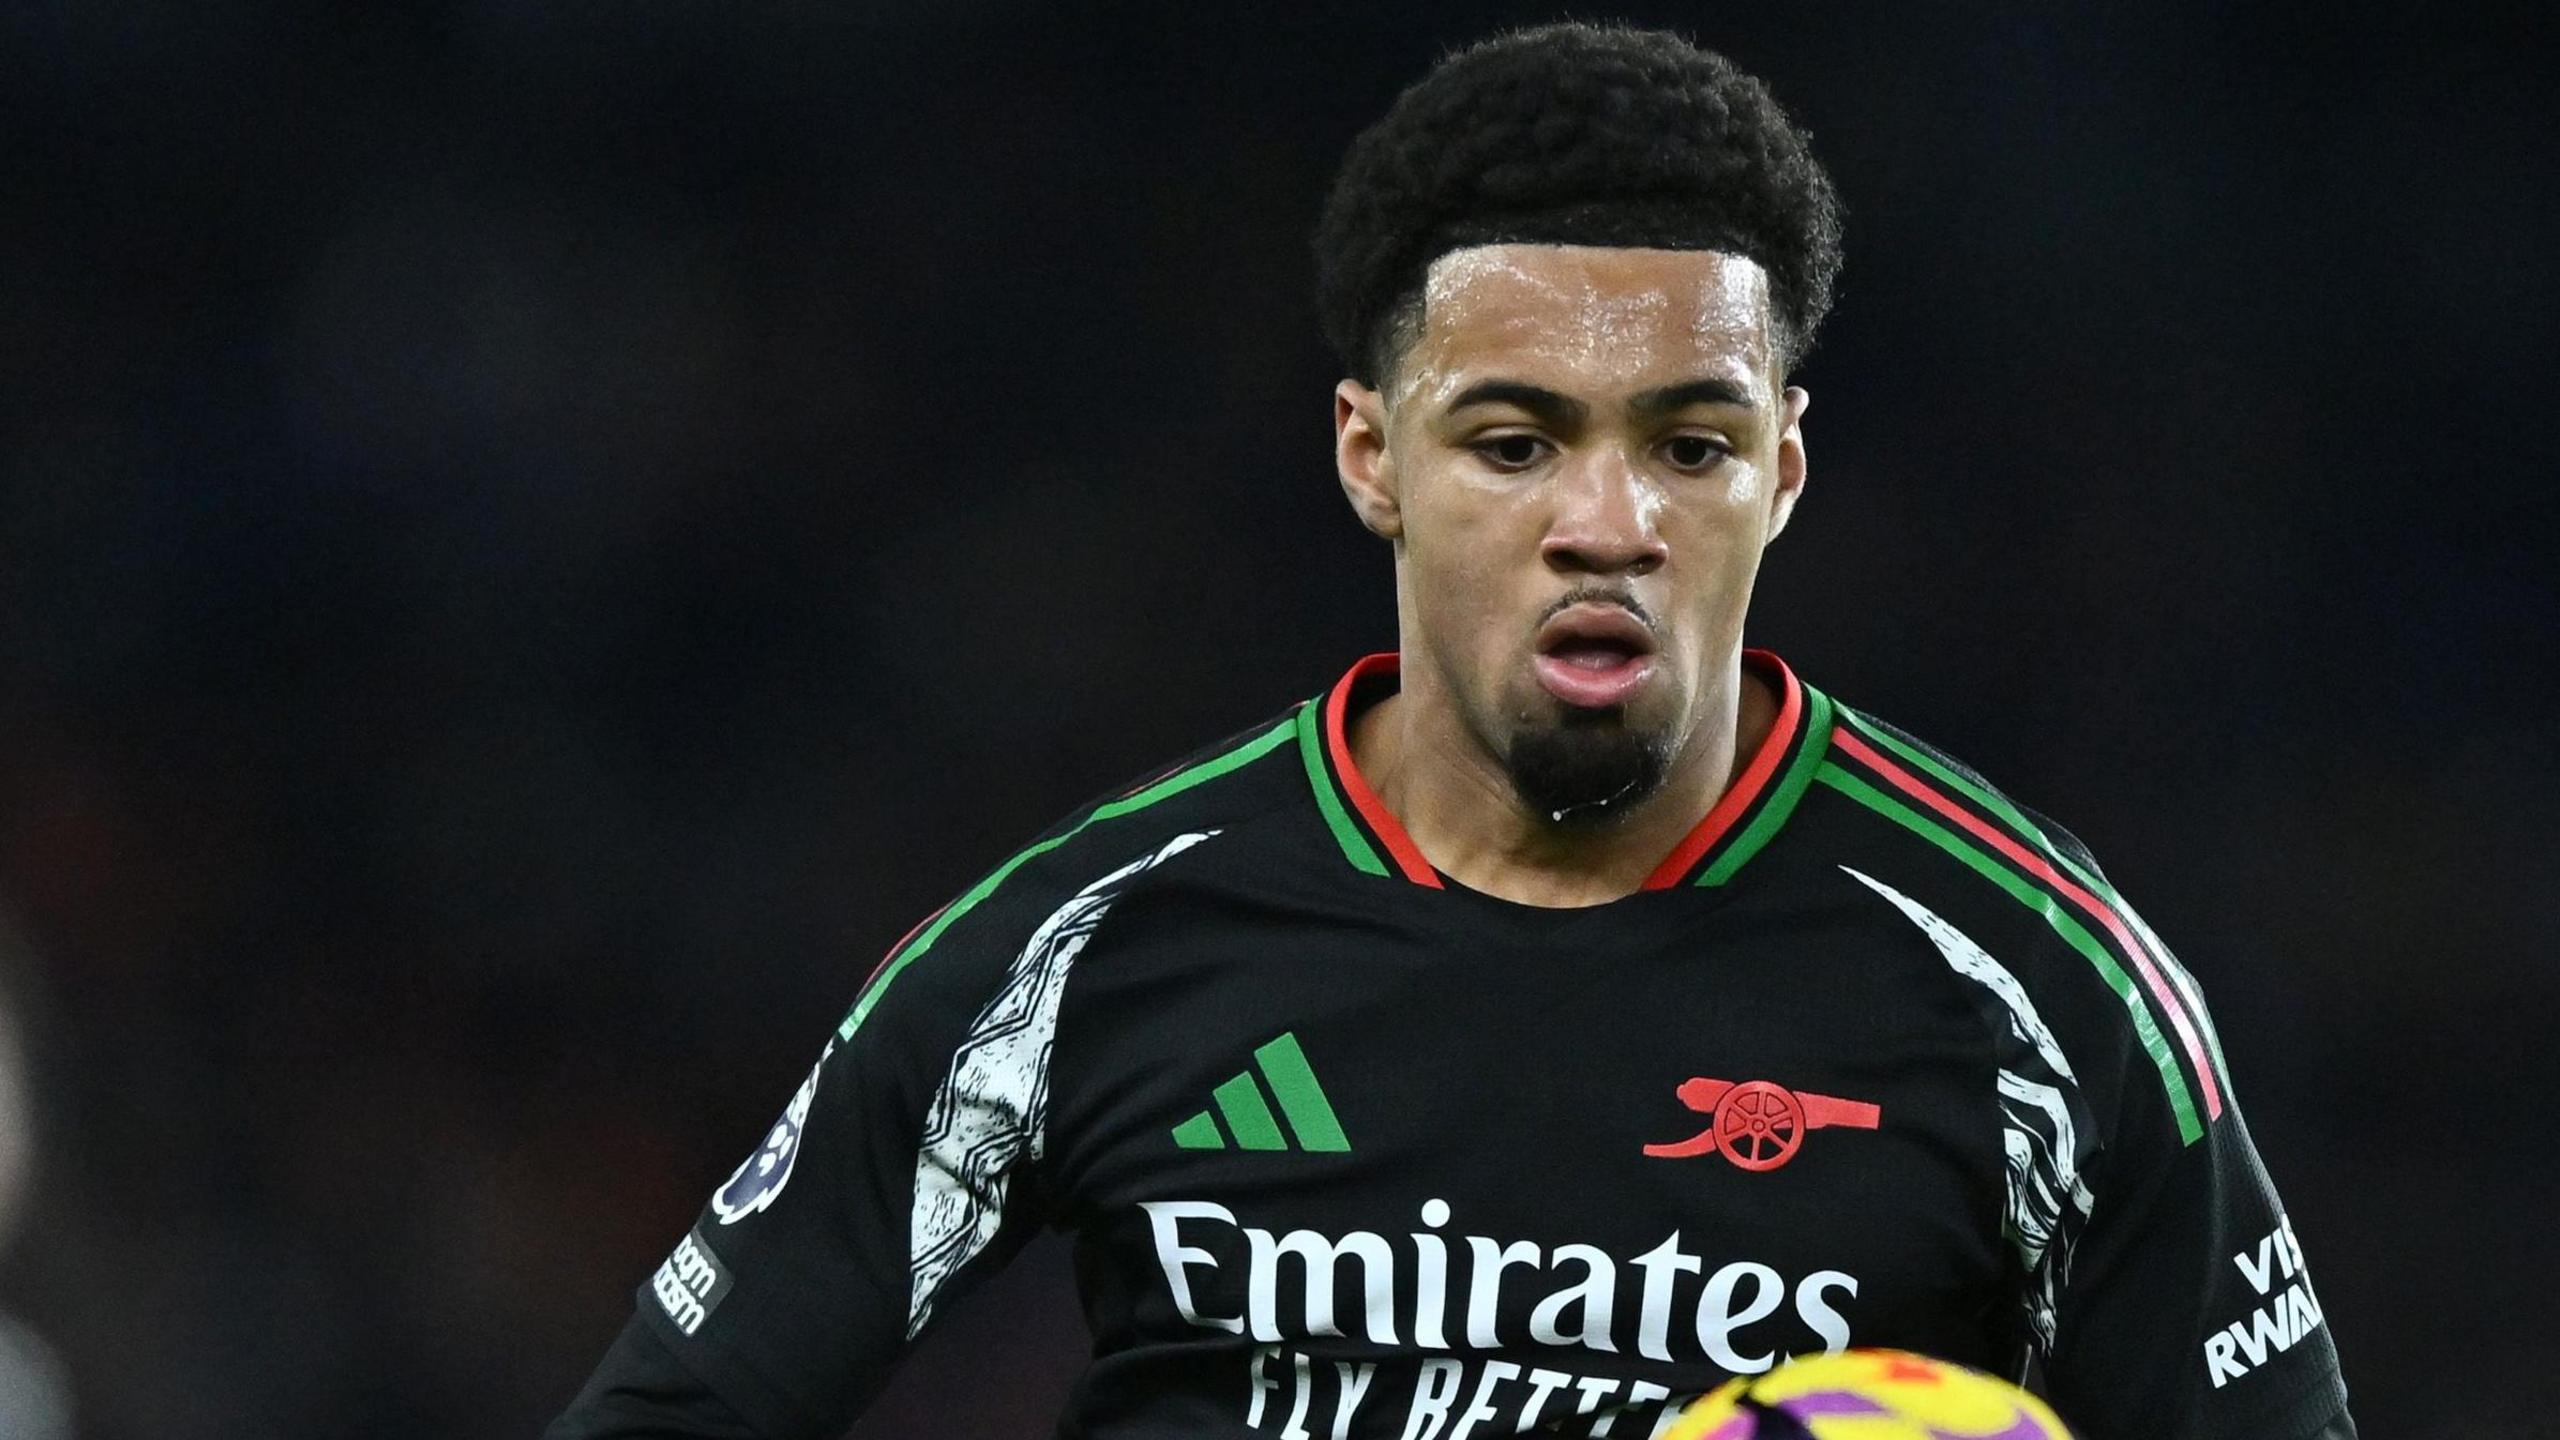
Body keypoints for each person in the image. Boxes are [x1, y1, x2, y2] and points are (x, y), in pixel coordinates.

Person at [549, 22, 2353, 1440]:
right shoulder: (1097, 945)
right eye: (1512, 440)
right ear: (1371, 458)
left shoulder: (2031, 982)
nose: (1606, 520)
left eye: (1690, 444)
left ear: (1783, 471)